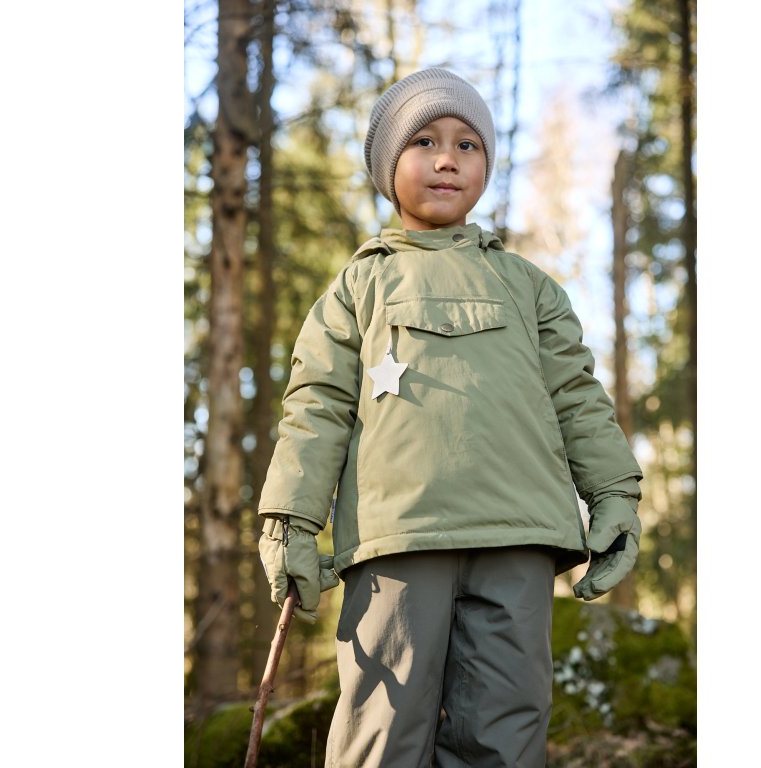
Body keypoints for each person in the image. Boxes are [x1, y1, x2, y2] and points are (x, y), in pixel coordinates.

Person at [256, 67, 643, 768]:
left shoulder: (529, 288)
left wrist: (615, 494)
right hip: (400, 538)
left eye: (468, 145)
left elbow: (578, 396)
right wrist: (291, 519)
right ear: (387, 166)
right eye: (425, 142)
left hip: (520, 534)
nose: (447, 159)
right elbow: (315, 406)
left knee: (506, 727)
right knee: (385, 727)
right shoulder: (358, 287)